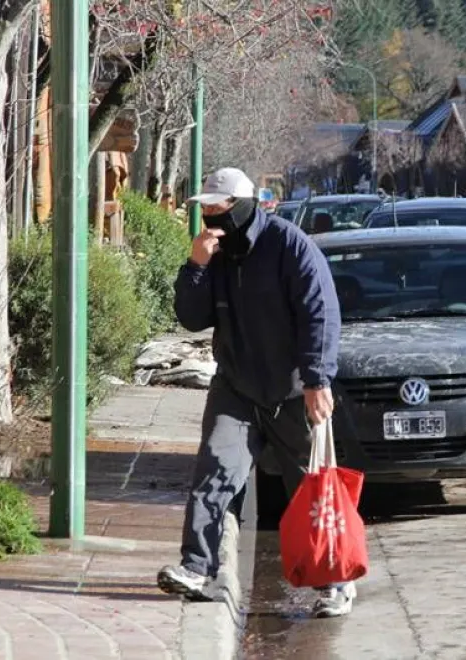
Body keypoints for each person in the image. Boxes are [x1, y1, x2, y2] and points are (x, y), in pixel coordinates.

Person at [156, 167, 355, 618]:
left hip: (290, 392)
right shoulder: (215, 253)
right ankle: (197, 568)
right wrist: (195, 267)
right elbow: (191, 318)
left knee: (311, 490)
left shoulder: (290, 246)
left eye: (217, 207)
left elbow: (320, 314)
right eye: (203, 208)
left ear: (244, 207)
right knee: (213, 473)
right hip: (237, 388)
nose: (208, 216)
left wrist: (317, 380)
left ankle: (335, 581)